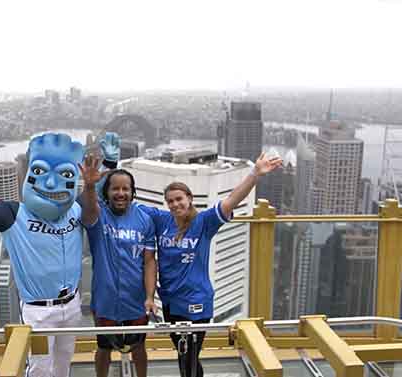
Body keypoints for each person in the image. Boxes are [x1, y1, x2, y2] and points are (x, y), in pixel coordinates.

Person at [137, 152, 282, 377]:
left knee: (188, 355)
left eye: (179, 199)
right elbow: (125, 203)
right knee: (184, 355)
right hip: (170, 300)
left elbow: (233, 199)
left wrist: (255, 174)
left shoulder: (203, 222)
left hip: (197, 302)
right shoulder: (161, 220)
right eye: (171, 201)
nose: (176, 204)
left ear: (189, 198)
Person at [0, 131, 86, 377]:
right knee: (40, 367)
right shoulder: (15, 214)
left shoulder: (75, 210)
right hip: (39, 311)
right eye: (40, 172)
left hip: (72, 304)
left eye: (65, 175)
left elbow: (101, 197)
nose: (51, 184)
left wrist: (109, 166)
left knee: (64, 363)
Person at [79, 135, 157, 377]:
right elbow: (88, 208)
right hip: (105, 299)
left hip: (136, 300)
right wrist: (91, 186)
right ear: (108, 192)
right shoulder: (98, 215)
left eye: (126, 189)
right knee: (103, 348)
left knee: (138, 346)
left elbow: (149, 261)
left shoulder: (144, 219)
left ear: (133, 192)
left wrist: (149, 296)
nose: (120, 193)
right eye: (115, 188)